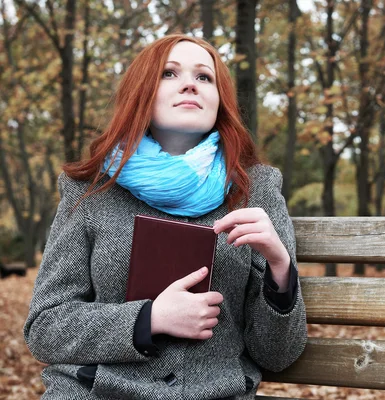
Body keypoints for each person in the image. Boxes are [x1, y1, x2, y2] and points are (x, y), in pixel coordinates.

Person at [23, 34, 307, 399]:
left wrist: (279, 268)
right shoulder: (90, 190)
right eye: (169, 73)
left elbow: (279, 355)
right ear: (141, 92)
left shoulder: (257, 189)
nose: (190, 83)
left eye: (205, 77)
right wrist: (148, 319)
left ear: (220, 102)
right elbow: (45, 328)